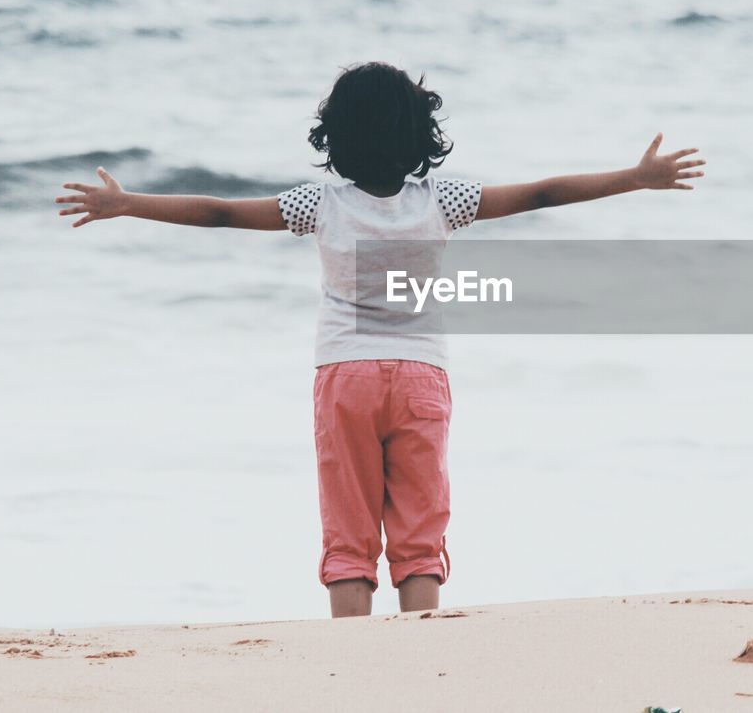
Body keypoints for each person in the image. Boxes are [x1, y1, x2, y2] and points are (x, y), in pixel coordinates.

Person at [55, 61, 705, 617]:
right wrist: (633, 176)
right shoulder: (441, 199)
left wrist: (130, 202)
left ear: (333, 137)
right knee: (420, 530)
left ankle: (355, 656)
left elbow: (221, 212)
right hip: (422, 377)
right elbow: (540, 192)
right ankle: (418, 651)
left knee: (349, 527)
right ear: (422, 134)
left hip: (345, 376)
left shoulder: (321, 205)